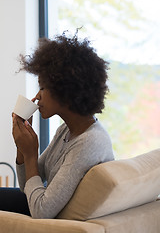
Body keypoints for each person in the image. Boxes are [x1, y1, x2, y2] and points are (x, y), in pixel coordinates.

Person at [12, 32, 114, 219]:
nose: (37, 96)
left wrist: (30, 153)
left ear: (66, 90)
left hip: (49, 217)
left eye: (43, 87)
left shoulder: (89, 142)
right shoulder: (66, 131)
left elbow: (41, 212)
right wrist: (22, 146)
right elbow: (27, 186)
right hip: (40, 205)